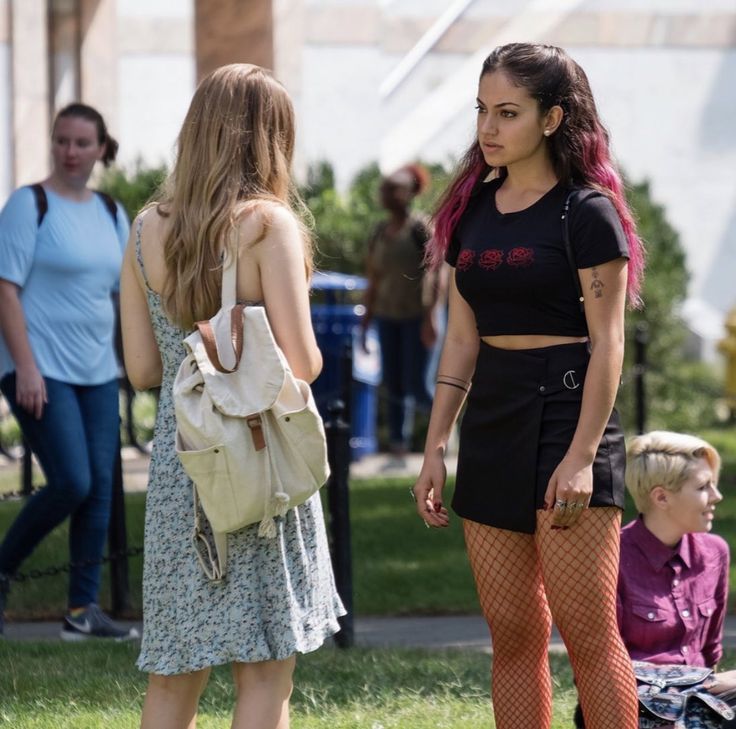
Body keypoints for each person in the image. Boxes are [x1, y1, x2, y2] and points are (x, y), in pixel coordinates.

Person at [413, 42, 646, 728]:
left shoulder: (586, 211)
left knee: (589, 637)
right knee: (512, 635)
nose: (488, 127)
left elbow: (609, 343)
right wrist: (434, 447)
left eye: (507, 112)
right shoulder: (470, 211)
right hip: (494, 416)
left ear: (551, 118)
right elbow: (462, 338)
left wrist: (580, 456)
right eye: (482, 110)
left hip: (569, 412)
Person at [120, 64, 345, 729]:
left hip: (181, 467)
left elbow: (140, 368)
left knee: (173, 673)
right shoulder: (265, 225)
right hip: (255, 460)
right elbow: (301, 362)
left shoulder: (142, 229)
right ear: (270, 140)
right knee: (267, 670)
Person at [0, 103, 133, 640]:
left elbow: (127, 296)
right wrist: (26, 368)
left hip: (97, 370)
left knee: (99, 488)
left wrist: (137, 363)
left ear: (101, 149)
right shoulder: (26, 204)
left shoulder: (111, 211)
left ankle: (81, 613)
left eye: (82, 143)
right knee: (72, 481)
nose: (70, 152)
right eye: (62, 141)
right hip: (37, 366)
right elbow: (4, 289)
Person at [610, 431, 736, 728]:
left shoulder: (714, 553)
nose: (716, 497)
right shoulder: (610, 558)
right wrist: (708, 682)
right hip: (630, 709)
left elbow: (709, 653)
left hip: (699, 703)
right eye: (704, 487)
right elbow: (602, 668)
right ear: (661, 497)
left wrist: (706, 686)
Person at [362, 164, 439, 454]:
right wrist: (365, 320)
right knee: (393, 383)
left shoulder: (420, 229)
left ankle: (441, 439)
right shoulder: (379, 232)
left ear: (409, 193)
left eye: (393, 188)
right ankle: (398, 444)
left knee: (418, 384)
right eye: (384, 188)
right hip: (387, 317)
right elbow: (373, 278)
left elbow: (437, 274)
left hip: (417, 318)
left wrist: (431, 317)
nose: (385, 194)